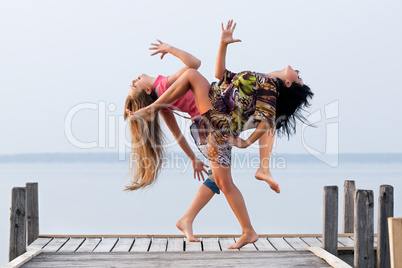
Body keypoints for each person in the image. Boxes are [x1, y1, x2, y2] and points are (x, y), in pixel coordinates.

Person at [128, 20, 313, 248]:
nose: (298, 72)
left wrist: (244, 143)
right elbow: (214, 73)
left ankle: (200, 219)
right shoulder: (262, 80)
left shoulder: (268, 85)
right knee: (223, 183)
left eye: (299, 78)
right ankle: (245, 228)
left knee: (193, 76)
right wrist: (223, 44)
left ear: (287, 83)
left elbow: (266, 117)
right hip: (213, 124)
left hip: (214, 120)